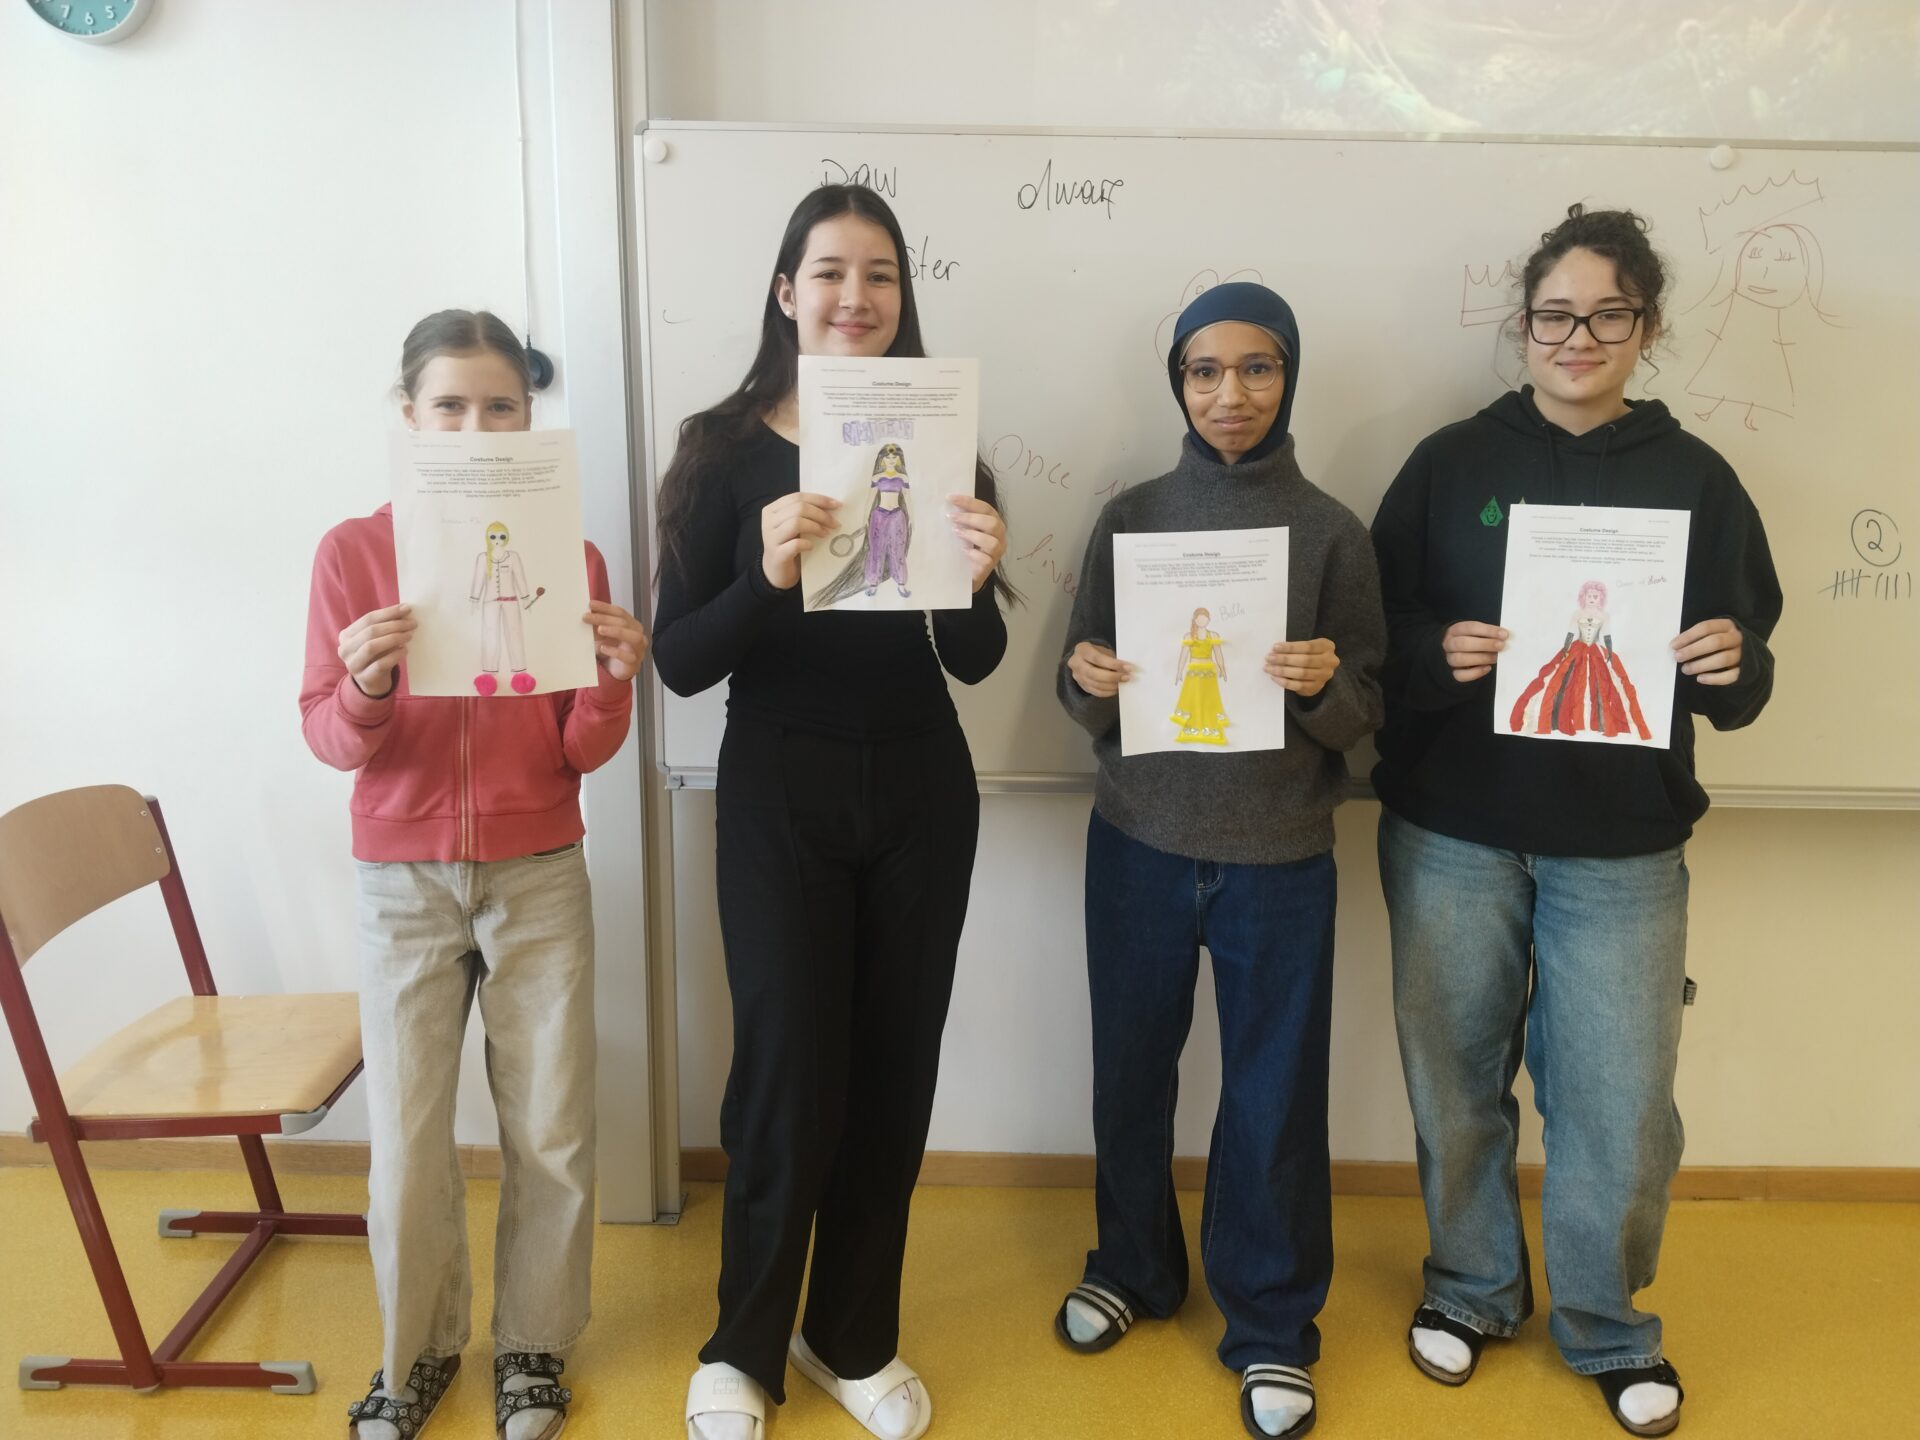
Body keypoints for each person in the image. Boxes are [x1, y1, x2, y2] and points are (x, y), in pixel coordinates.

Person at [1369, 205, 1782, 1438]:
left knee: (1619, 1107)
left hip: (1624, 847)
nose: (1579, 338)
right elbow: (1375, 633)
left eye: (1609, 315)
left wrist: (1732, 664)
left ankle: (1608, 1325)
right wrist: (1436, 653)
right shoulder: (1449, 462)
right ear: (1524, 325)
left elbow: (1746, 673)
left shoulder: (1698, 478)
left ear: (1646, 327)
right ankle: (1472, 1287)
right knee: (1456, 1082)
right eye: (1556, 315)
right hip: (1453, 829)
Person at [653, 185, 1013, 1440]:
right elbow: (680, 661)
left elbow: (976, 660)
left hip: (922, 787)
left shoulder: (945, 437)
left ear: (904, 296)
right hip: (779, 785)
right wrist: (766, 574)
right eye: (829, 272)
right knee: (785, 1076)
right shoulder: (720, 448)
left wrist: (972, 572)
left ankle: (850, 1335)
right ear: (784, 290)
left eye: (880, 276)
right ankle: (741, 1347)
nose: (855, 297)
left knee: (893, 1073)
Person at [300, 309, 647, 1440]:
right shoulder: (352, 553)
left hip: (537, 868)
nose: (475, 426)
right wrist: (366, 686)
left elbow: (580, 750)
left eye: (502, 406)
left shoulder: (571, 556)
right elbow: (328, 736)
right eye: (449, 406)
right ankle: (416, 1353)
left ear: (529, 418)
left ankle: (534, 1344)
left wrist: (611, 684)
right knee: (406, 1142)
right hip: (401, 880)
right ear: (409, 417)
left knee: (551, 1125)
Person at [1056, 281, 1386, 1440]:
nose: (1230, 393)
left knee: (1272, 1094)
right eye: (1205, 370)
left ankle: (1272, 1323)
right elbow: (1079, 687)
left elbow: (1367, 716)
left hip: (1280, 857)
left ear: (1288, 377)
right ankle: (1133, 1265)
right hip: (1137, 844)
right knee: (1129, 1070)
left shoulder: (1333, 531)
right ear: (1179, 384)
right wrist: (1089, 681)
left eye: (1257, 368)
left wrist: (1324, 688)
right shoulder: (1132, 517)